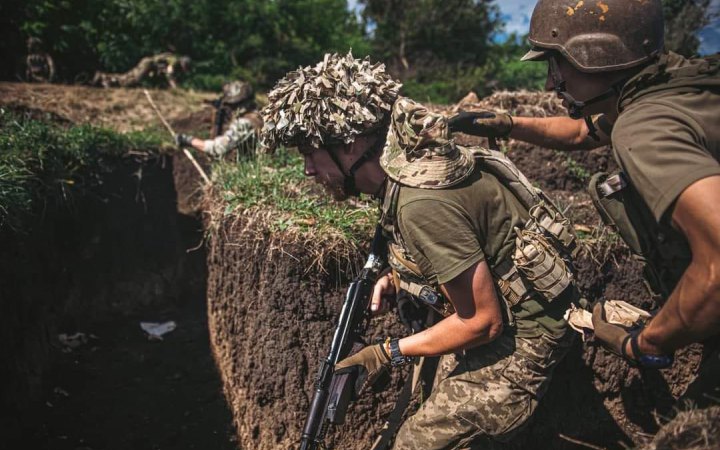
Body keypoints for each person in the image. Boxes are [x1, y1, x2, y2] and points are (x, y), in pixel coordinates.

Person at [261, 52, 580, 449]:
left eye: (310, 153)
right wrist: (398, 276)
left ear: (351, 143)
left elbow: (483, 322)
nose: (308, 170)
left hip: (525, 339)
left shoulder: (419, 204)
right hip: (504, 316)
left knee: (414, 443)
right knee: (428, 396)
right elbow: (466, 243)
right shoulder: (409, 167)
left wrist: (386, 352)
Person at [448, 0, 720, 401]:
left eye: (556, 64)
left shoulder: (645, 128)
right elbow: (582, 133)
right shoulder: (676, 83)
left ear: (596, 55)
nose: (548, 84)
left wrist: (646, 342)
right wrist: (509, 123)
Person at [175, 81, 261, 157]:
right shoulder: (258, 114)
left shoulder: (244, 123)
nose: (231, 109)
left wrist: (189, 140)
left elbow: (218, 148)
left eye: (232, 105)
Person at [91, 53, 191, 89]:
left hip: (149, 64)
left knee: (129, 76)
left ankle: (106, 78)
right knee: (134, 79)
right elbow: (170, 73)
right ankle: (106, 79)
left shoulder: (172, 58)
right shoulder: (174, 61)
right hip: (149, 64)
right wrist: (176, 88)